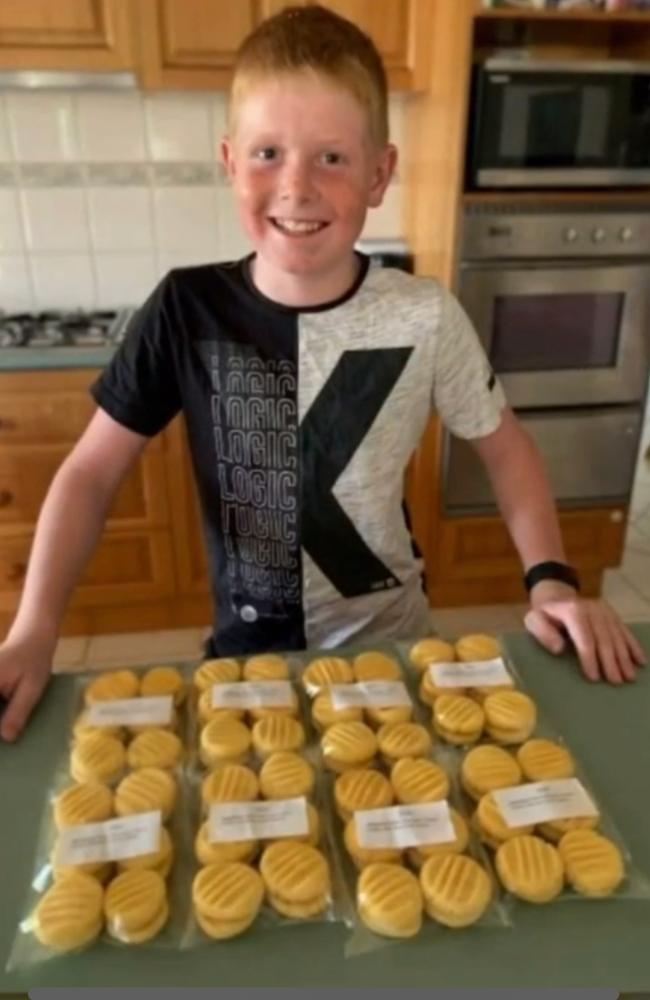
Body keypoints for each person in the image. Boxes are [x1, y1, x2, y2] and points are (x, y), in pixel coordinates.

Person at [0, 6, 644, 743]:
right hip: (247, 671)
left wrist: (552, 579)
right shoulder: (186, 308)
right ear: (229, 162)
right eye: (269, 152)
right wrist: (35, 626)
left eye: (331, 158)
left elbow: (506, 448)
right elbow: (89, 474)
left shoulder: (425, 316)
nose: (297, 187)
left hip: (392, 659)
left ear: (380, 174)